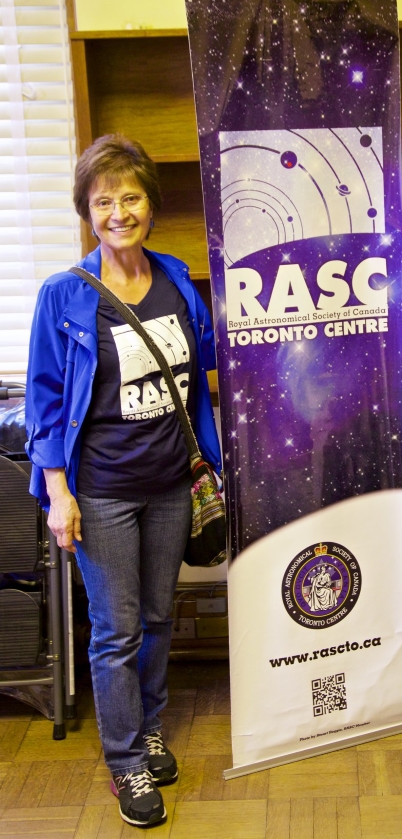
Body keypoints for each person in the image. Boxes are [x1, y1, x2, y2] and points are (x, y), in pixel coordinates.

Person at [25, 134, 221, 827]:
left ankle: (150, 727)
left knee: (161, 617)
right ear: (86, 209)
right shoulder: (63, 296)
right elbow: (45, 402)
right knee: (116, 630)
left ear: (150, 204)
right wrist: (58, 492)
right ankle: (125, 759)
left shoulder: (174, 275)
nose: (117, 210)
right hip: (102, 489)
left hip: (172, 482)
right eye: (103, 199)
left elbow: (206, 366)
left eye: (129, 196)